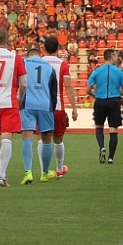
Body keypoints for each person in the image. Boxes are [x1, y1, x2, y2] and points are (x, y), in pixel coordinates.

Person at [0, 29, 27, 186]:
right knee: (7, 137)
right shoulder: (15, 58)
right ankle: (2, 175)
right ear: (8, 41)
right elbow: (24, 83)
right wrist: (19, 98)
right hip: (9, 102)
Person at [41, 37, 79, 177]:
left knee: (43, 138)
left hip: (41, 105)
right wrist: (74, 108)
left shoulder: (39, 62)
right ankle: (58, 169)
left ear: (44, 48)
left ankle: (44, 170)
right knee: (58, 139)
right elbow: (68, 87)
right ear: (58, 49)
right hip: (57, 106)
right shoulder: (63, 65)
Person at [20, 48, 59, 183]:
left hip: (27, 103)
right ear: (40, 55)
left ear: (28, 55)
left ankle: (28, 172)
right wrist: (51, 109)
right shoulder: (49, 68)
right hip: (45, 105)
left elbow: (19, 83)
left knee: (27, 137)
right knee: (46, 139)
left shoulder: (23, 63)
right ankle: (45, 173)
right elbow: (54, 93)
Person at [87, 49, 123, 164]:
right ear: (111, 57)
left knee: (99, 126)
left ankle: (102, 147)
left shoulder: (97, 71)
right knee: (113, 129)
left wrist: (96, 95)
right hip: (114, 101)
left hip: (100, 100)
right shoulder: (119, 72)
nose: (116, 58)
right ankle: (111, 157)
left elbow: (88, 89)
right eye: (115, 56)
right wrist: (118, 93)